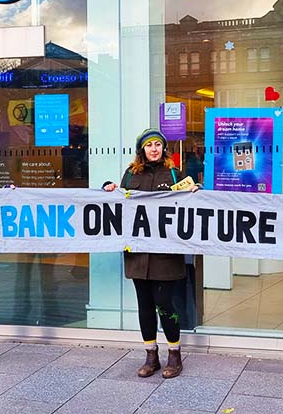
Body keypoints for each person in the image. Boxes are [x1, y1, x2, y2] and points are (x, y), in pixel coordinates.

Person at [103, 128, 199, 379]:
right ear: (142, 150)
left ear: (163, 148)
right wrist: (109, 188)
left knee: (164, 303)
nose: (154, 149)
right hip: (138, 253)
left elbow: (190, 201)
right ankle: (151, 355)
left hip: (165, 252)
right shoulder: (130, 174)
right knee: (144, 304)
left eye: (158, 144)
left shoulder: (174, 173)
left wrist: (196, 192)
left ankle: (175, 354)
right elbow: (119, 202)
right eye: (149, 145)